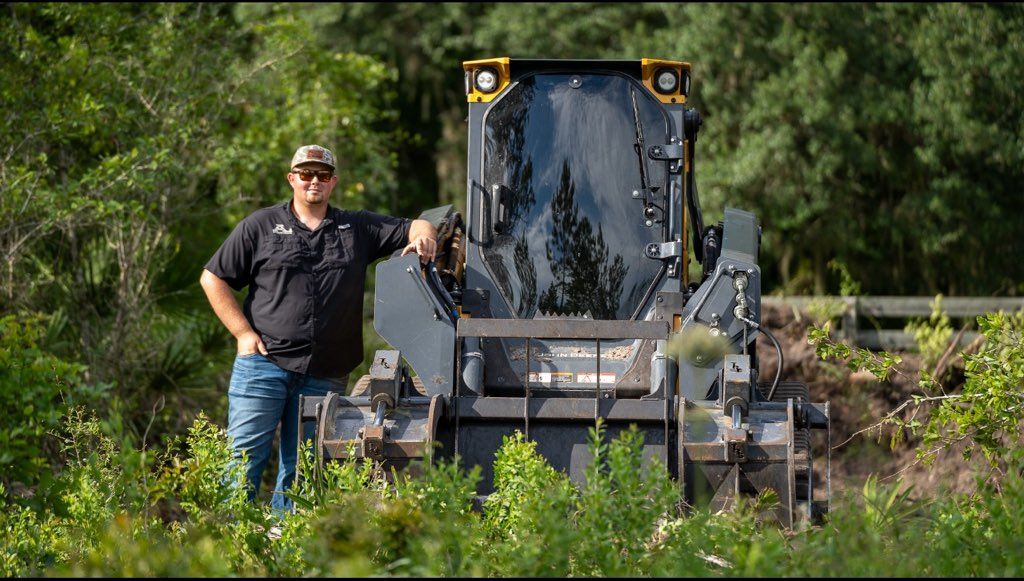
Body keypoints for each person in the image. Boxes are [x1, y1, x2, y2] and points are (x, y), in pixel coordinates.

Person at [200, 144, 437, 512]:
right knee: (243, 461)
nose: (314, 181)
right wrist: (243, 334)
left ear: (333, 182)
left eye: (322, 176)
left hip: (324, 375)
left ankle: (287, 546)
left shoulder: (357, 227)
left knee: (305, 470)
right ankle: (232, 550)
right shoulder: (259, 226)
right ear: (292, 178)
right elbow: (213, 278)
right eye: (306, 174)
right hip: (263, 366)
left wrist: (426, 239)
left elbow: (417, 225)